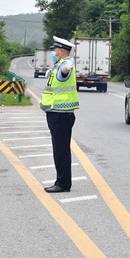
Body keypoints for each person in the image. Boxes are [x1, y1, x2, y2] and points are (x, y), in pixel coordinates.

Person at [40, 36, 79, 193]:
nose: (53, 52)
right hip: (57, 113)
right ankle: (62, 181)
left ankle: (63, 183)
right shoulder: (58, 65)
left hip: (61, 115)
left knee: (61, 150)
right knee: (60, 148)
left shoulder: (65, 66)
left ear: (62, 51)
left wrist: (65, 68)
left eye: (55, 50)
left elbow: (64, 73)